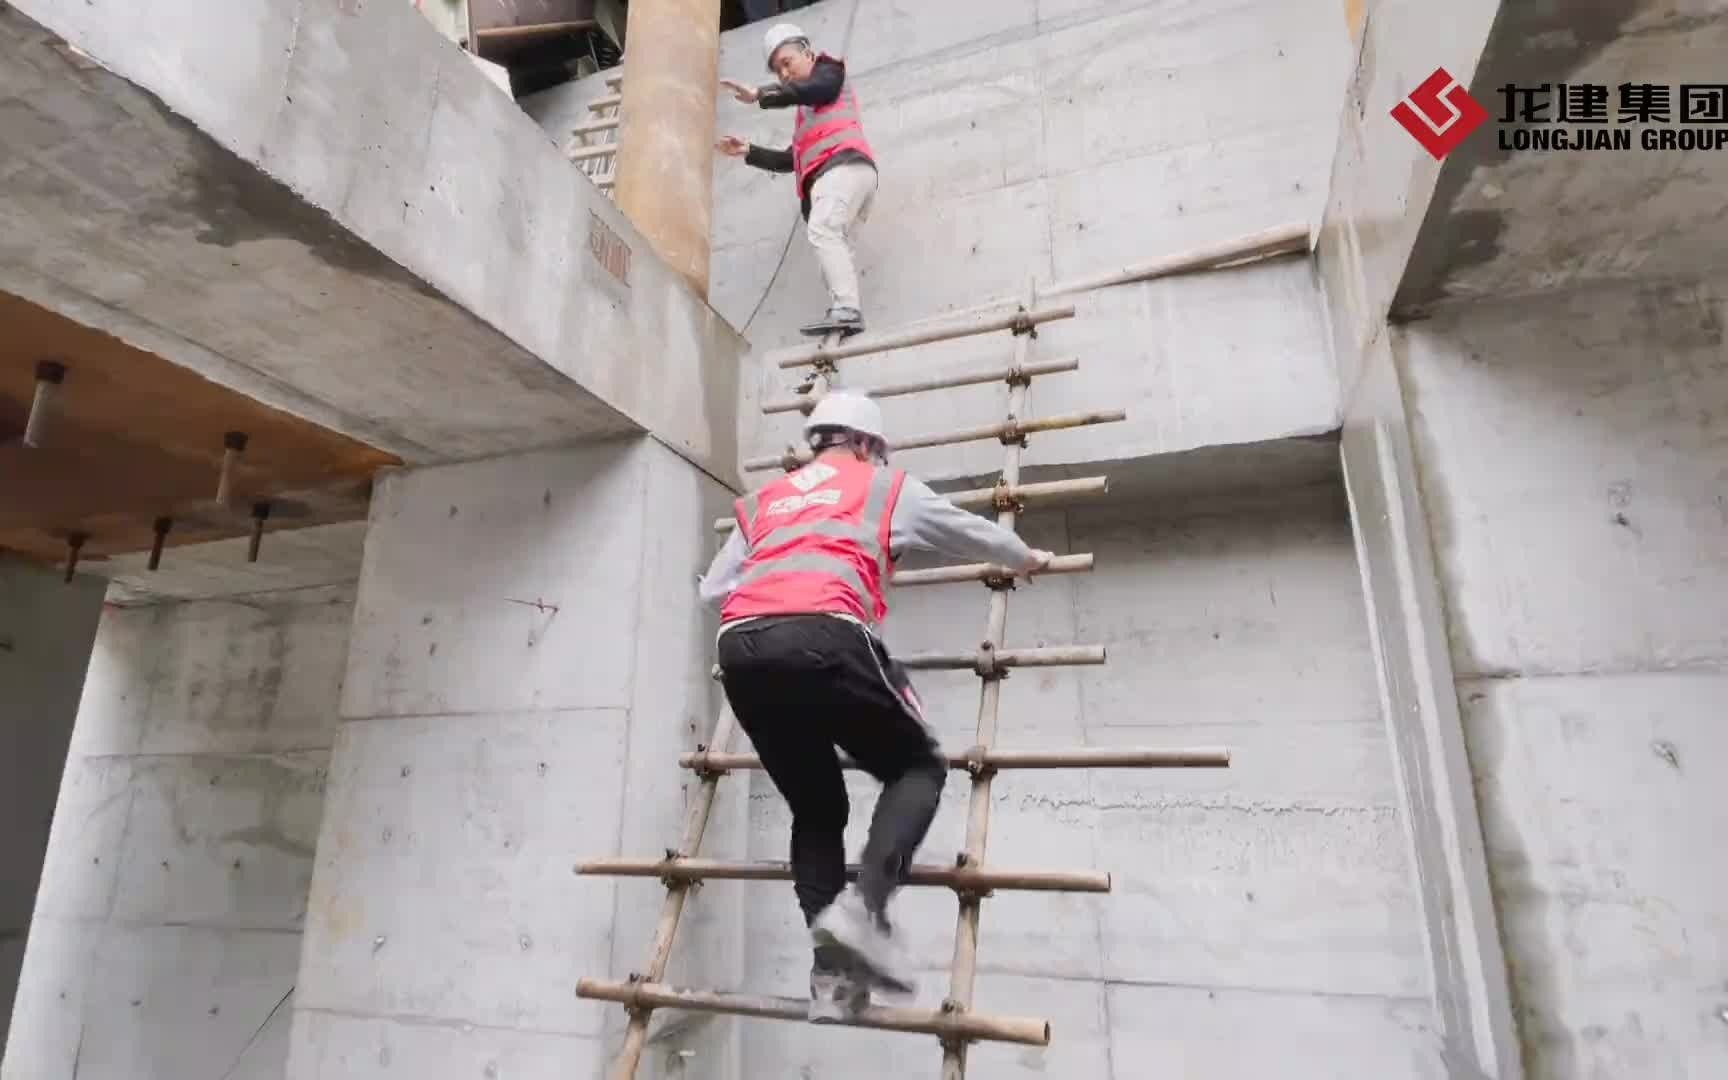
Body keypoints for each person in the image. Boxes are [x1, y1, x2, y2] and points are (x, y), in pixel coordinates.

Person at [697, 392, 1054, 1021]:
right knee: (918, 767)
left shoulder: (768, 500)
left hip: (741, 647)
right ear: (866, 444)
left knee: (817, 805)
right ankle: (864, 908)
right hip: (825, 632)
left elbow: (712, 589)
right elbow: (968, 531)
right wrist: (1025, 559)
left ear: (819, 440)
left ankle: (832, 976)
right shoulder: (883, 487)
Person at [716, 23, 878, 339]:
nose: (784, 74)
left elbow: (816, 89)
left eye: (786, 63)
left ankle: (847, 311)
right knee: (832, 251)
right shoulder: (809, 115)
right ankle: (845, 314)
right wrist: (747, 150)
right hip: (847, 178)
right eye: (778, 70)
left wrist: (760, 94)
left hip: (845, 170)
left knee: (823, 228)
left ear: (807, 52)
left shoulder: (829, 72)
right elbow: (790, 160)